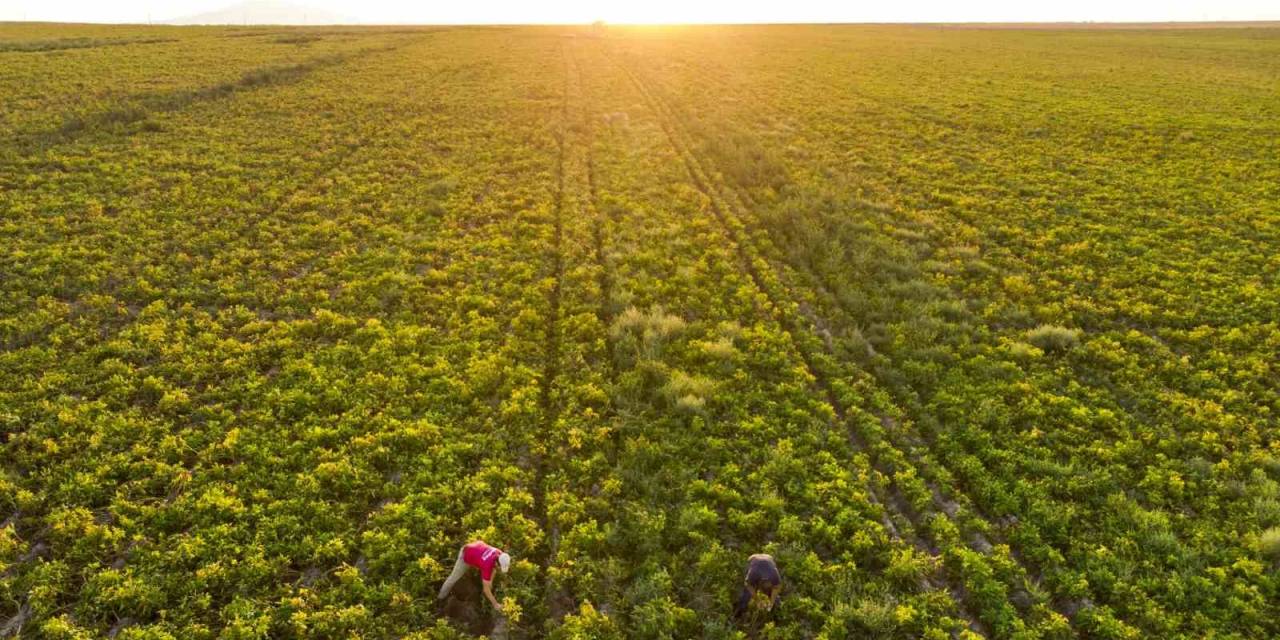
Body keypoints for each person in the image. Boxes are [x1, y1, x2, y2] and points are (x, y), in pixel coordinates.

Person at [438, 540, 511, 611]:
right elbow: (486, 589)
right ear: (498, 562)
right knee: (453, 578)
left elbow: (494, 568)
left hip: (476, 548)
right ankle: (440, 598)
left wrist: (490, 581)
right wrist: (495, 604)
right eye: (500, 566)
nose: (500, 568)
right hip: (465, 554)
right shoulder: (487, 565)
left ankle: (473, 566)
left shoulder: (499, 553)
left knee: (486, 577)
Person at [733, 553, 781, 618]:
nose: (765, 591)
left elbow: (776, 588)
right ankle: (738, 612)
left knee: (775, 599)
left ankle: (777, 614)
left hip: (769, 559)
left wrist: (771, 603)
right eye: (765, 588)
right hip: (753, 560)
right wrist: (757, 600)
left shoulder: (774, 575)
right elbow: (748, 584)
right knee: (746, 593)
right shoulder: (753, 573)